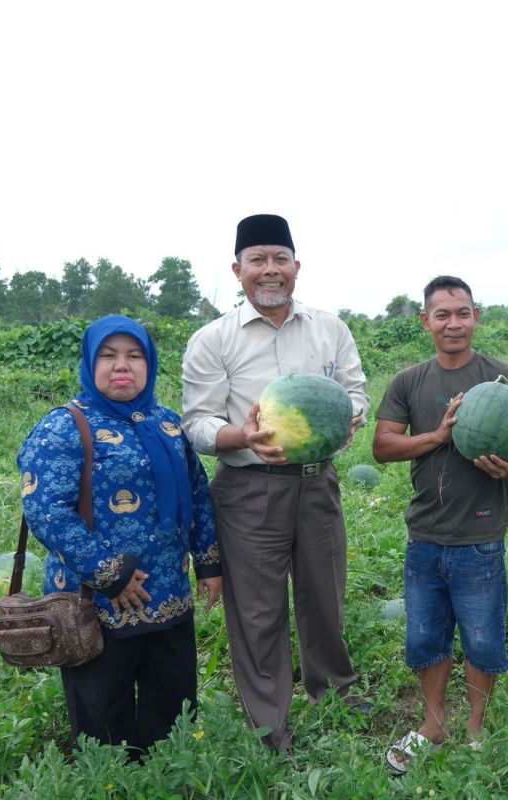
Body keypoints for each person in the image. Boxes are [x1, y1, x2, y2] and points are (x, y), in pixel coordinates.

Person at [181, 214, 370, 751]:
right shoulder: (213, 339)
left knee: (324, 595)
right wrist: (239, 435)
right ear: (238, 269)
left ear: (296, 267)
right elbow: (196, 422)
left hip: (317, 483)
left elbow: (355, 391)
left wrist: (348, 417)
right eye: (258, 260)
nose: (270, 271)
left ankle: (333, 688)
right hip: (249, 489)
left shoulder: (330, 328)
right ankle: (271, 722)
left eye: (280, 259)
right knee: (258, 610)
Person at [17, 315, 222, 756]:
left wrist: (209, 564)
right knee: (102, 711)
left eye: (134, 356)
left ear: (149, 364)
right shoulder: (62, 428)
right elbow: (46, 511)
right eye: (108, 356)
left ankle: (165, 773)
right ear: (90, 363)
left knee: (172, 703)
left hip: (168, 594)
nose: (121, 366)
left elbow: (198, 493)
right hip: (96, 603)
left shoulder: (168, 425)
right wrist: (112, 575)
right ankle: (113, 778)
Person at [372, 276, 508, 773]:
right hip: (425, 535)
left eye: (462, 312)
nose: (453, 323)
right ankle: (433, 723)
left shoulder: (503, 377)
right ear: (425, 322)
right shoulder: (408, 381)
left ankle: (477, 726)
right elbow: (382, 447)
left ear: (476, 316)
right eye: (442, 314)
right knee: (423, 638)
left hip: (480, 537)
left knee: (483, 639)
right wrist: (439, 435)